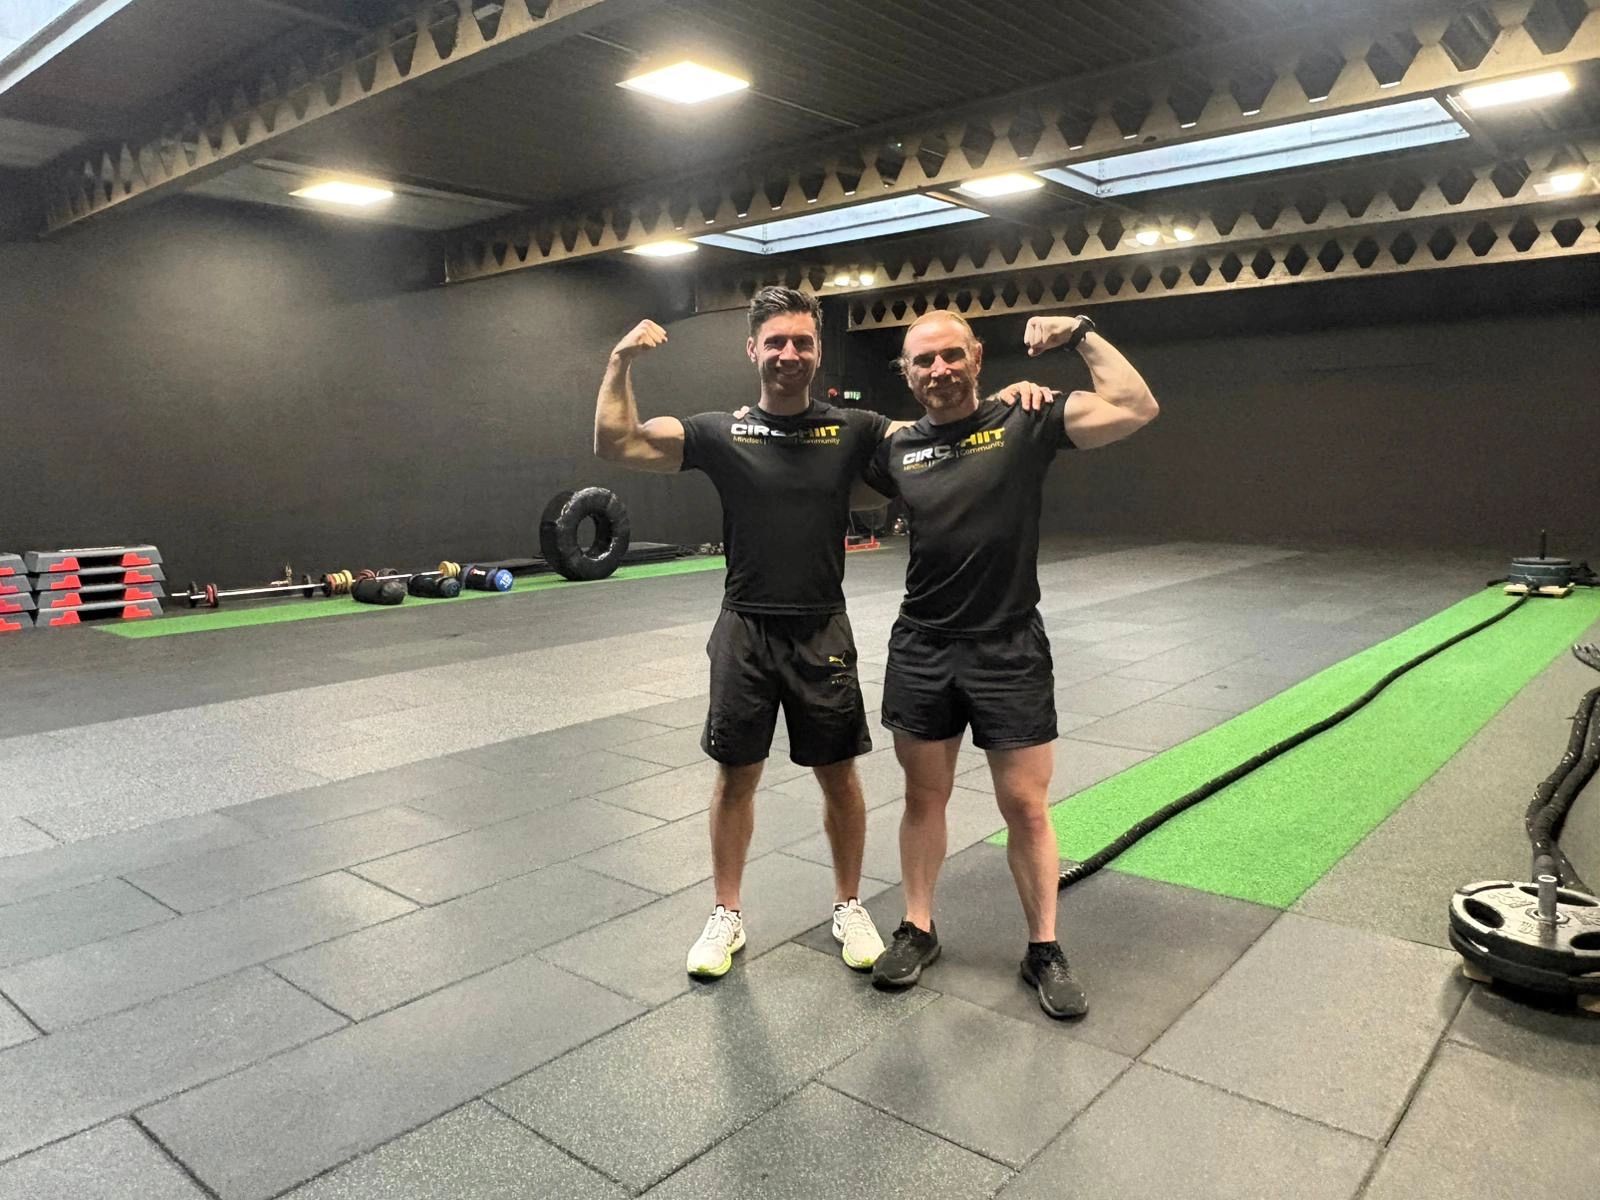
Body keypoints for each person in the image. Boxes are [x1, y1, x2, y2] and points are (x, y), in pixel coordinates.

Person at [863, 310, 1159, 1018]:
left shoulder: (1026, 418)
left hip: (1008, 647)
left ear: (975, 357)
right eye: (922, 361)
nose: (938, 370)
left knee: (1025, 805)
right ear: (907, 373)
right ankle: (918, 927)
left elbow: (1135, 406)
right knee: (923, 798)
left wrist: (1080, 334)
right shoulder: (896, 447)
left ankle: (1043, 948)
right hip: (923, 646)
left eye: (950, 356)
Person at [592, 286, 892, 980]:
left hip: (821, 627)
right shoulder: (720, 433)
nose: (789, 353)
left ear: (818, 351)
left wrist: (1012, 400)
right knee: (735, 778)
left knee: (840, 777)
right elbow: (616, 442)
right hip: (744, 628)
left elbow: (941, 434)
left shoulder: (854, 429)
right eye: (776, 341)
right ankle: (726, 913)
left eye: (802, 342)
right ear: (752, 348)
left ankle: (849, 905)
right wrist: (619, 362)